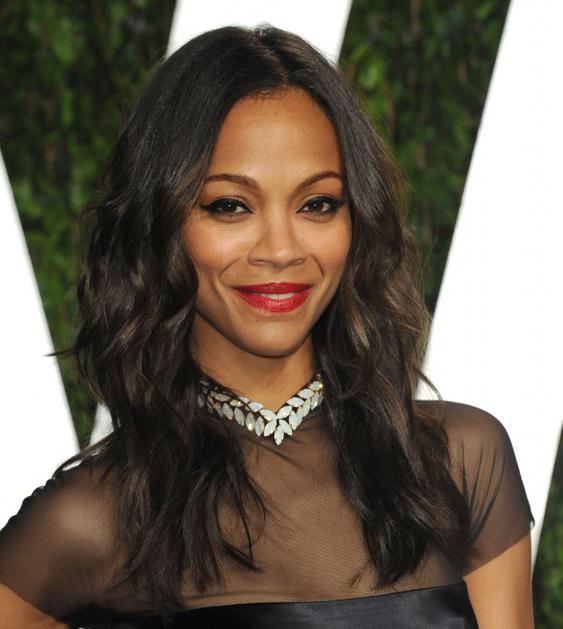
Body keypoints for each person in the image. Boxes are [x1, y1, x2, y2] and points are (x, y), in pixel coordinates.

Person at [0, 24, 535, 629]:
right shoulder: (93, 520)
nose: (281, 250)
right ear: (159, 224)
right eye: (230, 206)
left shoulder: (459, 460)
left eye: (317, 204)